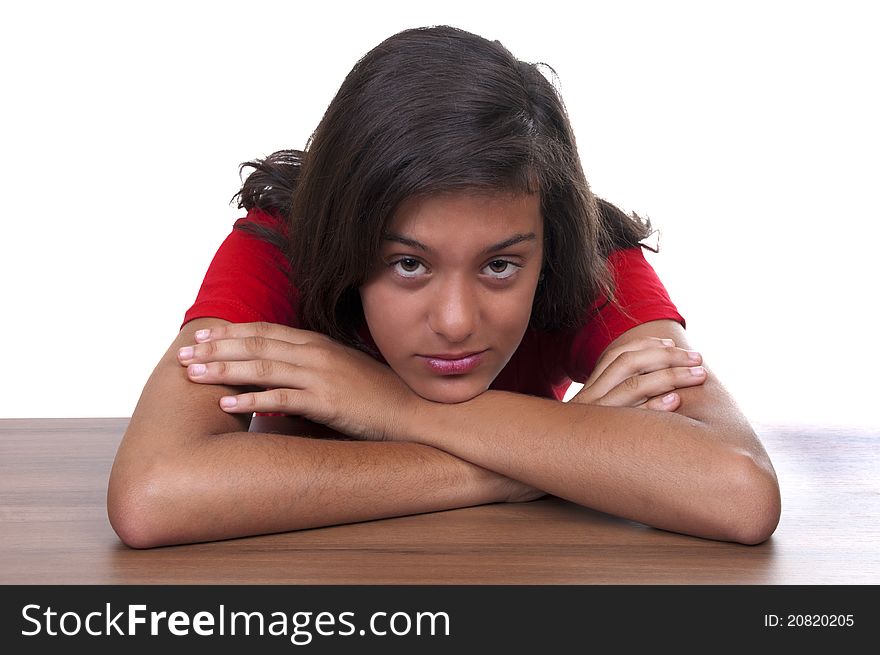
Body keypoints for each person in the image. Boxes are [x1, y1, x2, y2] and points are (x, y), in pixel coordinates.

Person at [107, 25, 780, 549]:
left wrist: (395, 407)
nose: (456, 322)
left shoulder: (587, 254)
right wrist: (531, 463)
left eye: (499, 267)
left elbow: (740, 490)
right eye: (408, 264)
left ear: (546, 242)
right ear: (346, 232)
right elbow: (153, 491)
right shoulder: (284, 241)